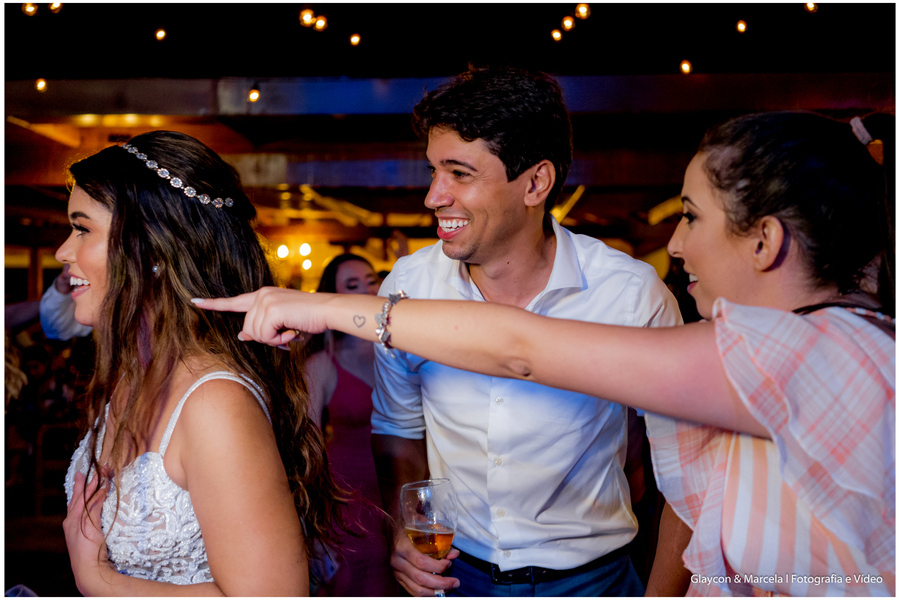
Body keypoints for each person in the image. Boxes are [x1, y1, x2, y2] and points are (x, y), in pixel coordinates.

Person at [197, 111, 895, 596]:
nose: (676, 244)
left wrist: (316, 306)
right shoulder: (781, 352)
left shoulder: (824, 357)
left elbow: (520, 349)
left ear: (765, 241)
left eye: (689, 215)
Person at [59, 130, 348, 596]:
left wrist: (98, 580)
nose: (63, 252)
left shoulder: (214, 403)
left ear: (150, 248)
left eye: (82, 228)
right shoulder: (134, 376)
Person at [304, 253, 395, 596]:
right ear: (336, 298)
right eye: (352, 285)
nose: (367, 290)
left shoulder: (405, 350)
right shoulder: (321, 363)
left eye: (372, 280)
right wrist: (312, 528)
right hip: (350, 499)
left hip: (402, 488)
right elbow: (307, 450)